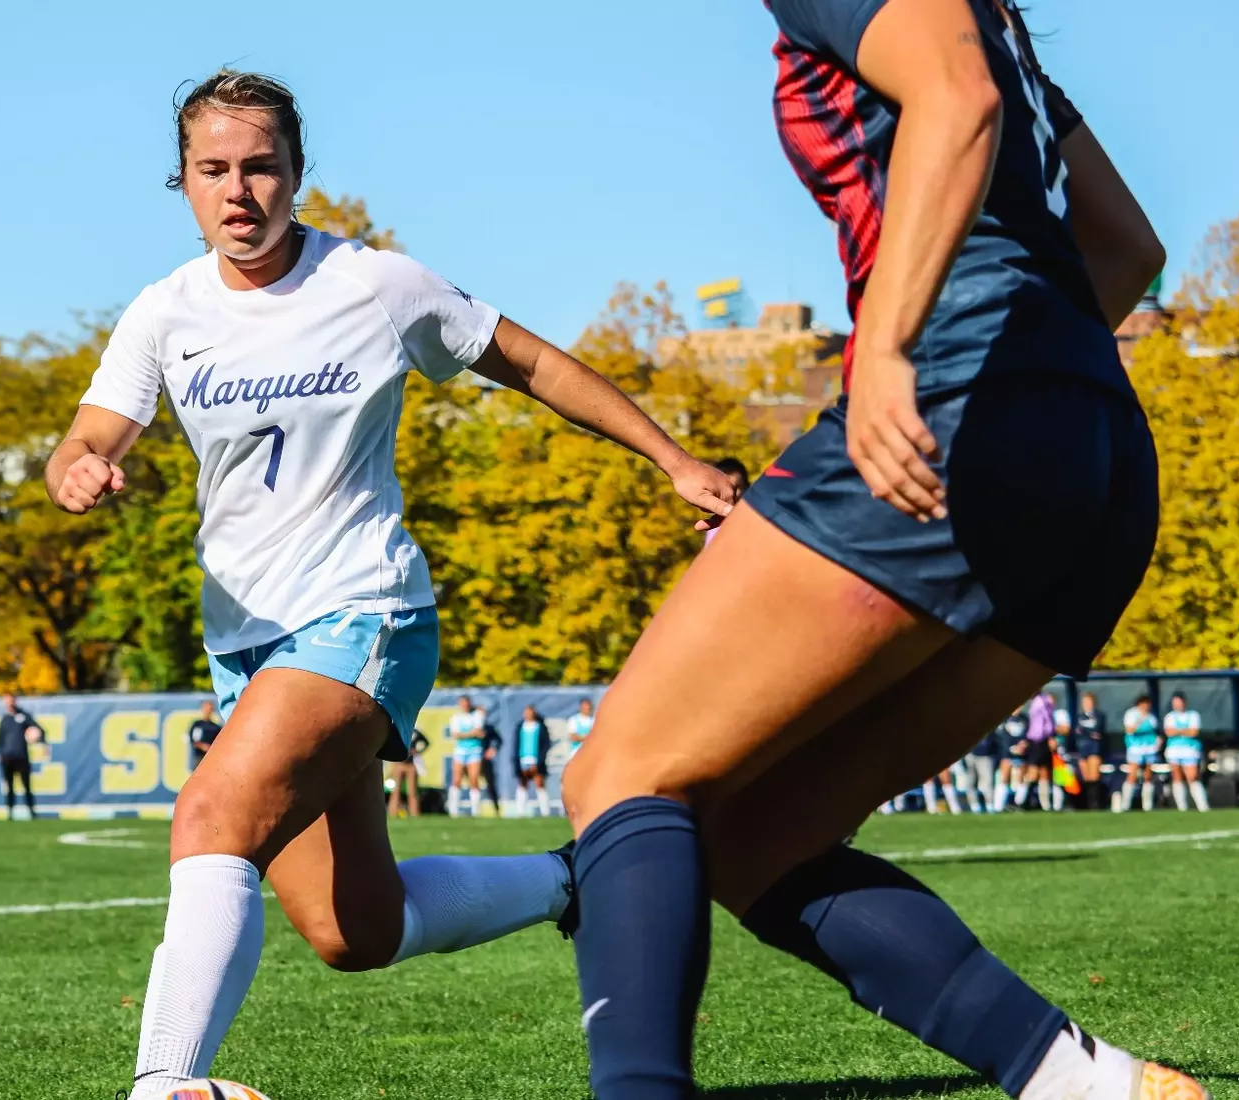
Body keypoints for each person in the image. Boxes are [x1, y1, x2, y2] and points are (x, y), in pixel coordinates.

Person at [44, 70, 734, 1097]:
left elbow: (535, 363)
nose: (239, 191)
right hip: (247, 641)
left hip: (362, 612)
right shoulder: (162, 313)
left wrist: (671, 459)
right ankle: (574, 877)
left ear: (296, 173)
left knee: (210, 817)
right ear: (183, 183)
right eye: (214, 170)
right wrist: (78, 464)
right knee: (354, 929)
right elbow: (95, 427)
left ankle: (165, 1082)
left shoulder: (373, 283)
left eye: (260, 166)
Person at [557, 1, 1203, 1097]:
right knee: (759, 835)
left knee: (623, 771)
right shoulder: (991, 14)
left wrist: (900, 364)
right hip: (1095, 447)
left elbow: (962, 99)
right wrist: (1018, 390)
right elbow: (1129, 245)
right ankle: (1086, 1083)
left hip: (960, 405)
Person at [0, 693, 45, 822]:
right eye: (6, 701)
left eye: (11, 700)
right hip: (7, 758)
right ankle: (10, 813)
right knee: (9, 787)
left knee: (27, 786)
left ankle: (32, 812)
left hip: (21, 757)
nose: (9, 703)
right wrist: (0, 753)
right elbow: (0, 739)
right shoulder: (5, 719)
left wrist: (41, 741)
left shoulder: (24, 716)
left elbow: (38, 729)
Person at [1163, 692, 1210, 812]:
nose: (1177, 705)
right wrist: (1185, 731)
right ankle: (1182, 807)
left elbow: (1193, 732)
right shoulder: (1169, 717)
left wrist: (1178, 731)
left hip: (1190, 750)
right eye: (1175, 702)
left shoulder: (1193, 715)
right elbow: (1169, 732)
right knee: (1177, 777)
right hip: (1174, 750)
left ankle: (1203, 806)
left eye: (1179, 702)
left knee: (1193, 776)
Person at [1119, 694, 1162, 813]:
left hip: (1149, 749)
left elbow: (1155, 732)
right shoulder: (1132, 714)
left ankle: (1147, 805)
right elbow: (1129, 730)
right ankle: (1125, 804)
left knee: (1148, 775)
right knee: (1132, 775)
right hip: (1135, 748)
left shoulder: (1152, 717)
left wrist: (1157, 742)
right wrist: (1140, 722)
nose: (1146, 706)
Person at [446, 696, 488, 818]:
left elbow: (479, 732)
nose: (464, 705)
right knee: (456, 780)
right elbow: (456, 734)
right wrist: (471, 733)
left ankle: (476, 810)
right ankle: (454, 810)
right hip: (460, 751)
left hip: (474, 751)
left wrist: (464, 734)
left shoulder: (477, 715)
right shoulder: (455, 718)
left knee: (474, 780)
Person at [1017, 691, 1058, 811]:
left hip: (1041, 741)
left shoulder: (1042, 701)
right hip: (1035, 741)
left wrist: (1051, 736)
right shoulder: (1035, 702)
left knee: (1038, 772)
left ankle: (1030, 803)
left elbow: (1048, 721)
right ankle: (1038, 804)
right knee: (1038, 772)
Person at [1069, 690, 1108, 809]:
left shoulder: (1099, 716)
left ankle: (1095, 803)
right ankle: (1085, 804)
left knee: (1094, 776)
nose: (1087, 704)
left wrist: (1086, 732)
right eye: (1085, 702)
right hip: (1083, 748)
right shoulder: (1079, 717)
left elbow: (1097, 732)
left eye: (1089, 702)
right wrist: (1087, 733)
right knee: (1085, 777)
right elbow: (1077, 732)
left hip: (1095, 748)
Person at [513, 705, 552, 818]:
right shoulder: (520, 726)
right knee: (522, 783)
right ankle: (521, 812)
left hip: (536, 759)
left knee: (539, 783)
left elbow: (545, 744)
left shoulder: (541, 727)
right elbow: (516, 744)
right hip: (522, 759)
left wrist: (539, 760)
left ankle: (545, 812)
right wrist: (517, 759)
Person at [994, 704, 1030, 813]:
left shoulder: (1025, 719)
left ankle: (1018, 804)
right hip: (1007, 753)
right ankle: (998, 806)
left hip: (1022, 753)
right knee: (1004, 777)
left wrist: (1023, 745)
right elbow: (1002, 736)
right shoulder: (1005, 718)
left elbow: (1027, 735)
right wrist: (1011, 748)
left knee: (1022, 777)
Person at [387, 729, 430, 818]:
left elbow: (426, 743)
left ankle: (414, 813)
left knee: (412, 790)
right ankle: (393, 812)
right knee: (395, 790)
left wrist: (417, 751)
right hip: (398, 764)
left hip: (411, 765)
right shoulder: (397, 730)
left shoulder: (415, 732)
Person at [479, 705, 505, 818]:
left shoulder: (487, 727)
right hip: (470, 758)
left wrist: (493, 749)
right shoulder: (468, 725)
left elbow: (498, 739)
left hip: (484, 759)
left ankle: (496, 808)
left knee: (490, 784)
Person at [188, 700, 223, 768]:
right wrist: (203, 746)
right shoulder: (197, 725)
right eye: (206, 708)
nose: (208, 711)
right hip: (200, 758)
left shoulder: (216, 727)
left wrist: (211, 748)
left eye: (210, 709)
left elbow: (220, 743)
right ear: (203, 709)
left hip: (212, 758)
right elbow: (193, 740)